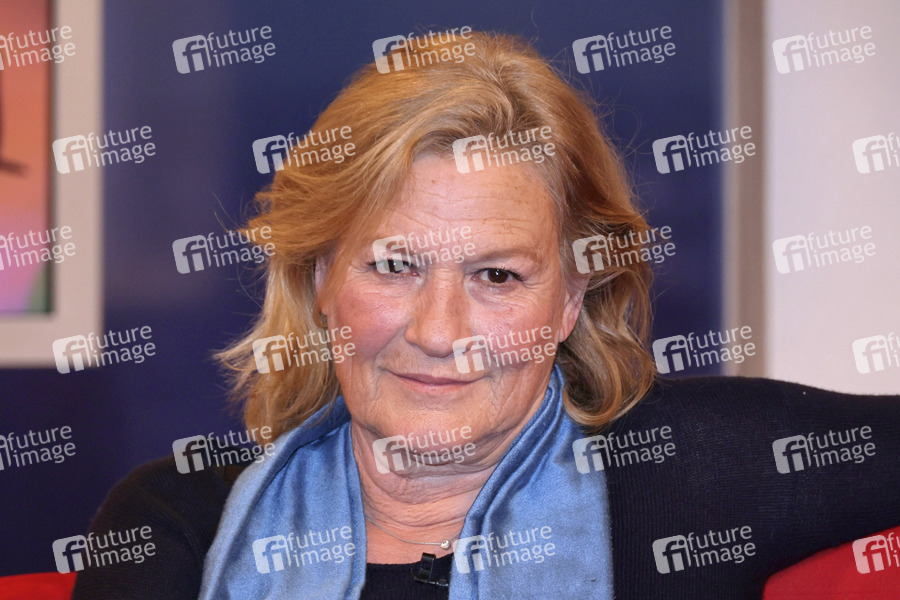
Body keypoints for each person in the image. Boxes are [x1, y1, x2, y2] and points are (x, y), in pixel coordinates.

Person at [73, 31, 900, 600]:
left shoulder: (693, 470)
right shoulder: (179, 523)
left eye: (497, 275)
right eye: (394, 265)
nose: (439, 332)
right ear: (320, 276)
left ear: (571, 296)